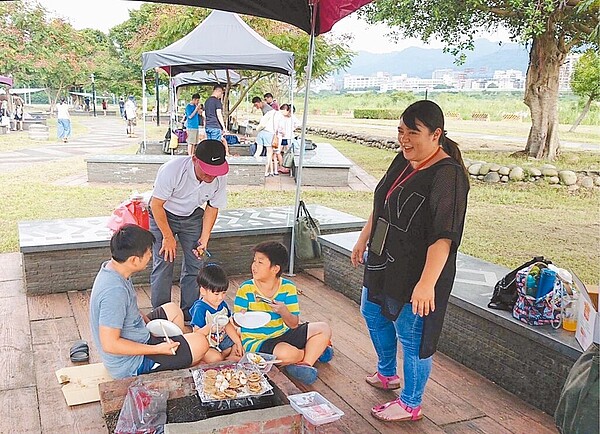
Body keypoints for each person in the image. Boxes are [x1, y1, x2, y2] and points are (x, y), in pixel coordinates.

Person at [350, 100, 470, 423]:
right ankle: (387, 372)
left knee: (411, 335)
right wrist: (364, 238)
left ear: (436, 135)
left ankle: (410, 403)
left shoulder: (448, 177)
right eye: (401, 131)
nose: (404, 139)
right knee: (371, 311)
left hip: (418, 271)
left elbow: (443, 237)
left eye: (413, 132)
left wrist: (426, 284)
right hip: (384, 259)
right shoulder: (404, 160)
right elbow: (382, 202)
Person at [89, 224, 210, 379]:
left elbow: (129, 306)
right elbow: (110, 344)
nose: (150, 256)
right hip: (130, 363)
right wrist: (157, 349)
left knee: (172, 309)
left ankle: (179, 351)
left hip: (139, 332)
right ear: (133, 260)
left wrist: (146, 323)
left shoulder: (114, 268)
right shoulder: (114, 291)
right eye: (147, 253)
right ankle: (177, 357)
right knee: (201, 342)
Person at [149, 139, 229, 323]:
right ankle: (162, 314)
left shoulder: (219, 176)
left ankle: (189, 312)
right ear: (194, 159)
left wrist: (204, 240)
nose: (212, 176)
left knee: (195, 262)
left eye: (216, 172)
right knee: (164, 261)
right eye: (208, 171)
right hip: (163, 213)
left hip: (192, 216)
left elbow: (212, 207)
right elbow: (156, 204)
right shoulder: (173, 170)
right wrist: (167, 237)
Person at [234, 242, 333, 385]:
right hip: (258, 341)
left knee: (324, 328)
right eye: (254, 261)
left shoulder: (288, 287)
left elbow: (293, 324)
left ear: (275, 269)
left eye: (260, 262)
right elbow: (237, 322)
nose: (254, 266)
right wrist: (239, 317)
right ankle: (312, 352)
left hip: (283, 332)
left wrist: (284, 311)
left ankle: (305, 363)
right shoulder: (246, 289)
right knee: (286, 354)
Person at [189, 263, 244, 362]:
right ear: (203, 290)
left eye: (223, 293)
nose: (220, 297)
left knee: (241, 339)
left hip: (222, 340)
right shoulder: (200, 309)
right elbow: (196, 334)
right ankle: (223, 359)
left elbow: (227, 324)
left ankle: (227, 357)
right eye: (216, 294)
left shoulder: (222, 305)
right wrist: (210, 327)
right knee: (215, 358)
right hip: (207, 345)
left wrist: (238, 342)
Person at [252, 96, 281, 177]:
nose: (256, 107)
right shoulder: (274, 114)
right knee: (269, 155)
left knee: (258, 152)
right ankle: (265, 172)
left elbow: (262, 123)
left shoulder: (267, 110)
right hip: (269, 133)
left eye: (256, 105)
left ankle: (270, 171)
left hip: (261, 133)